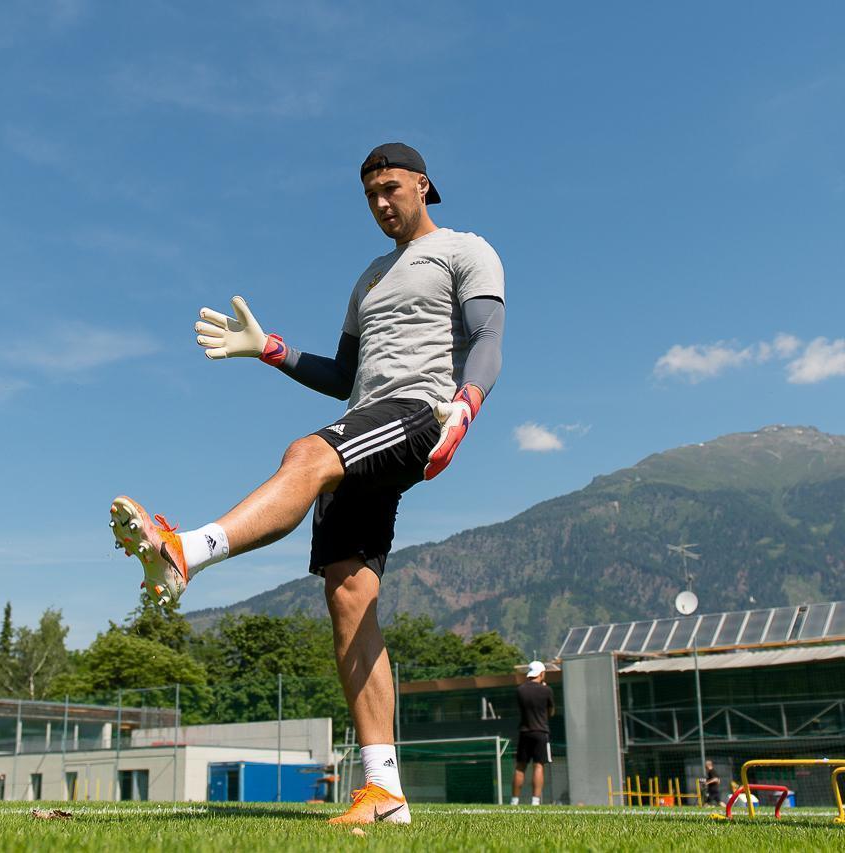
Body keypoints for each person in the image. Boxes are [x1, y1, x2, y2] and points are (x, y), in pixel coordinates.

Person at [109, 142, 504, 825]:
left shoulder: (465, 250)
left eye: (391, 187)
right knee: (349, 598)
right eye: (370, 194)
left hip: (421, 411)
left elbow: (489, 336)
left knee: (305, 453)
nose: (380, 202)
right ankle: (384, 793)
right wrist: (272, 350)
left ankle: (186, 551)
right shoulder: (368, 280)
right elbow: (345, 376)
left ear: (423, 184)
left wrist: (466, 405)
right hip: (365, 420)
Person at [511, 661, 555, 806]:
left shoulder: (520, 690)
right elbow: (551, 711)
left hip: (525, 731)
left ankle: (514, 800)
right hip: (541, 732)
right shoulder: (547, 690)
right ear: (541, 673)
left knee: (520, 766)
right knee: (538, 765)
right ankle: (535, 801)